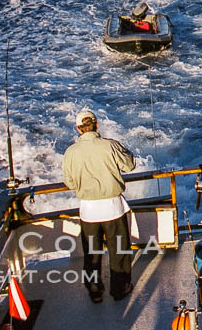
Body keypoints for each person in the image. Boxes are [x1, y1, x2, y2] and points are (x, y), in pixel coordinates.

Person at [63, 109, 137, 303]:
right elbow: (129, 166)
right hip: (113, 207)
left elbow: (70, 183)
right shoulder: (110, 146)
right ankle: (120, 289)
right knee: (119, 251)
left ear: (79, 129)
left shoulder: (70, 152)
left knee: (91, 255)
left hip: (88, 211)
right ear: (96, 125)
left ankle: (95, 292)